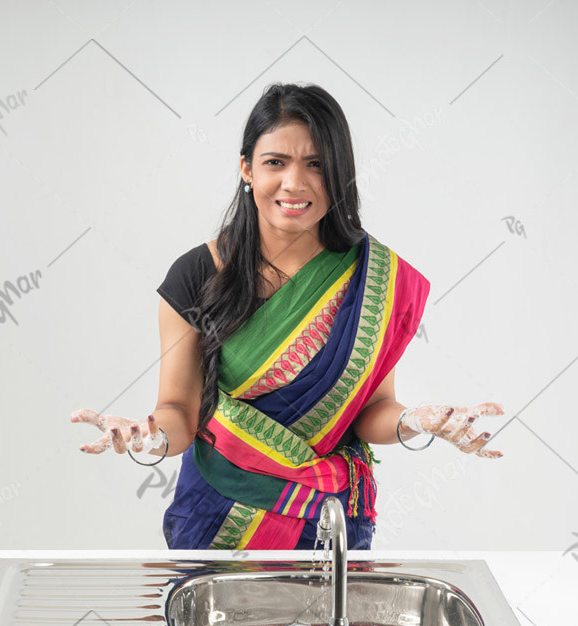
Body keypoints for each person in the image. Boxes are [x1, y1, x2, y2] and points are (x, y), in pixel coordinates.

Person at [71, 82, 504, 551]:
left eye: (316, 164)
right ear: (247, 169)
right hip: (217, 520)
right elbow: (178, 412)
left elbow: (373, 411)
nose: (295, 183)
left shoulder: (372, 279)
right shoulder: (196, 274)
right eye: (275, 162)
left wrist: (418, 421)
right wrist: (146, 439)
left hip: (328, 525)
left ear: (340, 174)